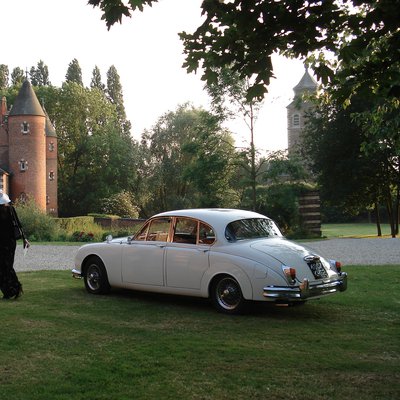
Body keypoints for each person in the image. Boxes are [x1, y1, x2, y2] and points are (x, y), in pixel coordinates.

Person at [0, 190, 29, 299]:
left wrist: (25, 239)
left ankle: (13, 289)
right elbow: (18, 224)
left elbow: (17, 224)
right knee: (7, 266)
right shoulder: (11, 209)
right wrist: (24, 238)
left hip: (3, 243)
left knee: (4, 268)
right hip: (11, 243)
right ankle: (11, 290)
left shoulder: (10, 210)